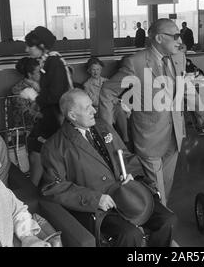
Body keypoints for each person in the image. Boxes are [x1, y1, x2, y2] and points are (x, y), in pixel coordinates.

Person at [40, 89, 176, 247]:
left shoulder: (103, 126)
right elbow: (52, 187)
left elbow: (125, 156)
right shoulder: (55, 147)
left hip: (127, 193)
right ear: (72, 115)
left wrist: (134, 176)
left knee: (168, 220)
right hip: (100, 207)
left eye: (92, 105)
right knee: (130, 235)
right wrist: (95, 199)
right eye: (87, 108)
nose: (94, 110)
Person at [99, 18, 186, 206]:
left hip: (174, 134)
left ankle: (159, 216)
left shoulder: (179, 58)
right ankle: (162, 226)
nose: (180, 41)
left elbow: (182, 88)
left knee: (167, 184)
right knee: (158, 189)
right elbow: (108, 91)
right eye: (176, 36)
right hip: (149, 136)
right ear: (160, 38)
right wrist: (107, 130)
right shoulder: (135, 63)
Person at [25, 26, 73, 155]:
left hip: (57, 117)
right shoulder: (48, 61)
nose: (27, 49)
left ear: (41, 45)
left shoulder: (53, 62)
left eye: (30, 46)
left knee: (47, 151)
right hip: (52, 116)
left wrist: (36, 100)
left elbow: (55, 94)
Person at [83, 57, 129, 144]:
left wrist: (113, 100)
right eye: (93, 69)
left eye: (98, 69)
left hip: (111, 106)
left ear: (101, 70)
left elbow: (115, 96)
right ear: (89, 71)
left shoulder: (107, 81)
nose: (95, 72)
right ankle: (113, 140)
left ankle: (125, 138)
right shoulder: (87, 85)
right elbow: (93, 101)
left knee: (119, 109)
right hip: (99, 109)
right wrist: (108, 100)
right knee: (107, 111)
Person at [11, 57, 42, 130]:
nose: (41, 73)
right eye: (38, 72)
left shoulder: (42, 85)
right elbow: (25, 113)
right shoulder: (18, 90)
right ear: (30, 74)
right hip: (28, 129)